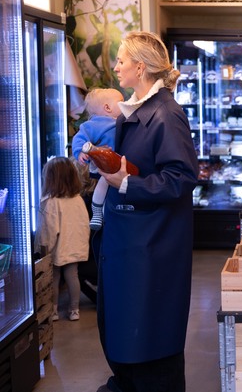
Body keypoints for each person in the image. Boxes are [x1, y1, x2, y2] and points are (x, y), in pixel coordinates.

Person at [93, 31, 199, 392]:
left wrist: (126, 183)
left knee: (149, 343)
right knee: (128, 337)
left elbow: (182, 177)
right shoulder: (137, 111)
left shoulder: (166, 115)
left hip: (151, 247)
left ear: (140, 68)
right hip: (132, 243)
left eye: (121, 60)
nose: (116, 67)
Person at [35, 157, 90, 322]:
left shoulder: (52, 202)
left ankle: (53, 310)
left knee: (54, 277)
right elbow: (84, 224)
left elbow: (49, 230)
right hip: (75, 245)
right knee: (73, 276)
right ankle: (74, 310)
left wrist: (43, 248)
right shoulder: (78, 199)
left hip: (57, 247)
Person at [72, 88, 124, 231]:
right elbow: (79, 138)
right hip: (103, 162)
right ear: (107, 107)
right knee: (104, 182)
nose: (125, 103)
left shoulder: (121, 120)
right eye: (121, 101)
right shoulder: (94, 124)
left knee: (111, 187)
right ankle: (97, 211)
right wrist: (80, 152)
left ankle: (105, 211)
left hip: (116, 161)